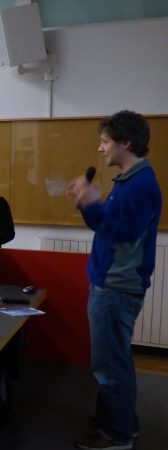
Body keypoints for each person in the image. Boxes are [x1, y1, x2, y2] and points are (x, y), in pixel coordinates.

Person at [67, 111, 161, 450]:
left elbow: (124, 236)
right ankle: (122, 421)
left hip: (116, 288)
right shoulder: (128, 181)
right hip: (112, 285)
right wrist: (88, 204)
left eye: (105, 142)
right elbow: (110, 228)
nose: (100, 148)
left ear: (126, 143)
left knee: (110, 367)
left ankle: (116, 435)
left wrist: (92, 206)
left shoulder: (139, 186)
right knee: (114, 361)